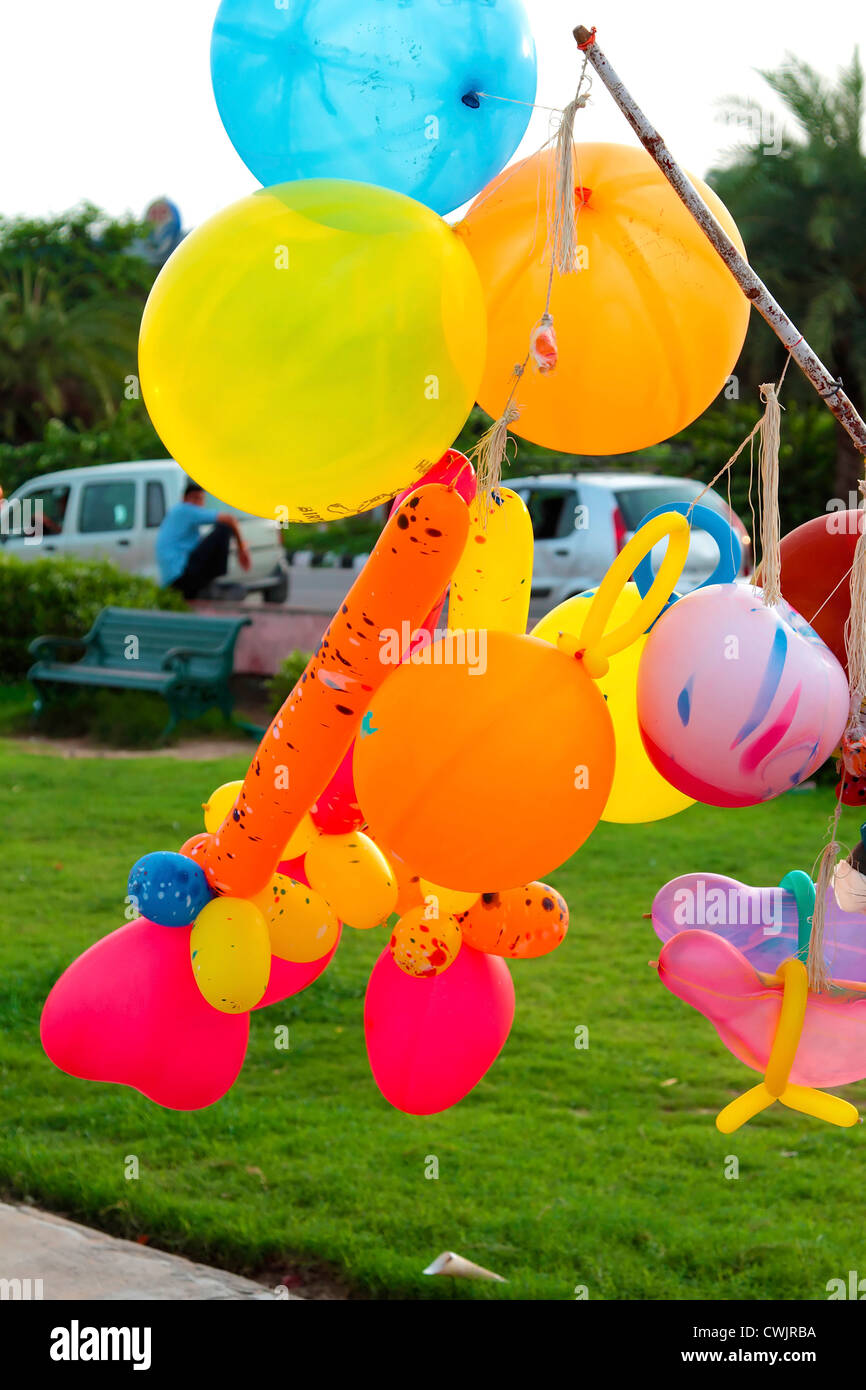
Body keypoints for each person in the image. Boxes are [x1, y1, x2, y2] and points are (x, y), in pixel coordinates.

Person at [157, 481, 250, 599]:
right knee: (223, 528)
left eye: (200, 499)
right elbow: (230, 520)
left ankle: (206, 584)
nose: (197, 504)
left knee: (210, 537)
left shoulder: (177, 514)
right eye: (194, 498)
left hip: (176, 577)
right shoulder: (185, 510)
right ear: (184, 499)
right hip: (180, 577)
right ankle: (210, 584)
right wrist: (241, 548)